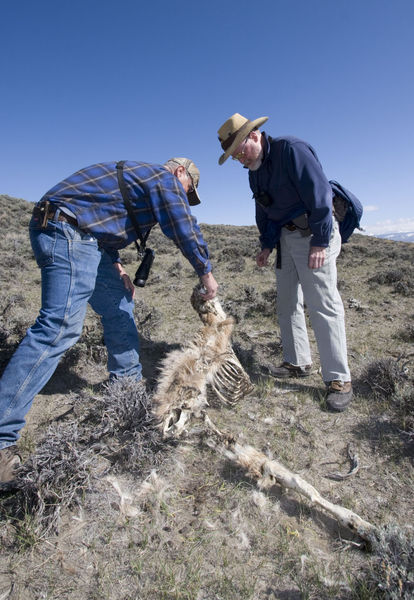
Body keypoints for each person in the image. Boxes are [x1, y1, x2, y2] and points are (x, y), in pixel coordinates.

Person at [0, 157, 218, 489]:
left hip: (84, 237)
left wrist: (115, 264)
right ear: (180, 173)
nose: (183, 196)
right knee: (59, 327)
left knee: (119, 305)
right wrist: (205, 271)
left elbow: (102, 218)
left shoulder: (137, 180)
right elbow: (181, 223)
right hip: (67, 230)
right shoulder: (164, 179)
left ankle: (126, 394)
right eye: (186, 191)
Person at [217, 113, 352, 413]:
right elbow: (264, 209)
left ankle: (339, 379)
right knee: (287, 302)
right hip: (286, 241)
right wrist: (266, 244)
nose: (239, 158)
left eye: (240, 149)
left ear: (254, 135)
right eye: (233, 154)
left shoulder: (291, 150)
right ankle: (297, 362)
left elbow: (320, 195)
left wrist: (319, 240)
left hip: (314, 233)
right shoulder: (254, 169)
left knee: (323, 304)